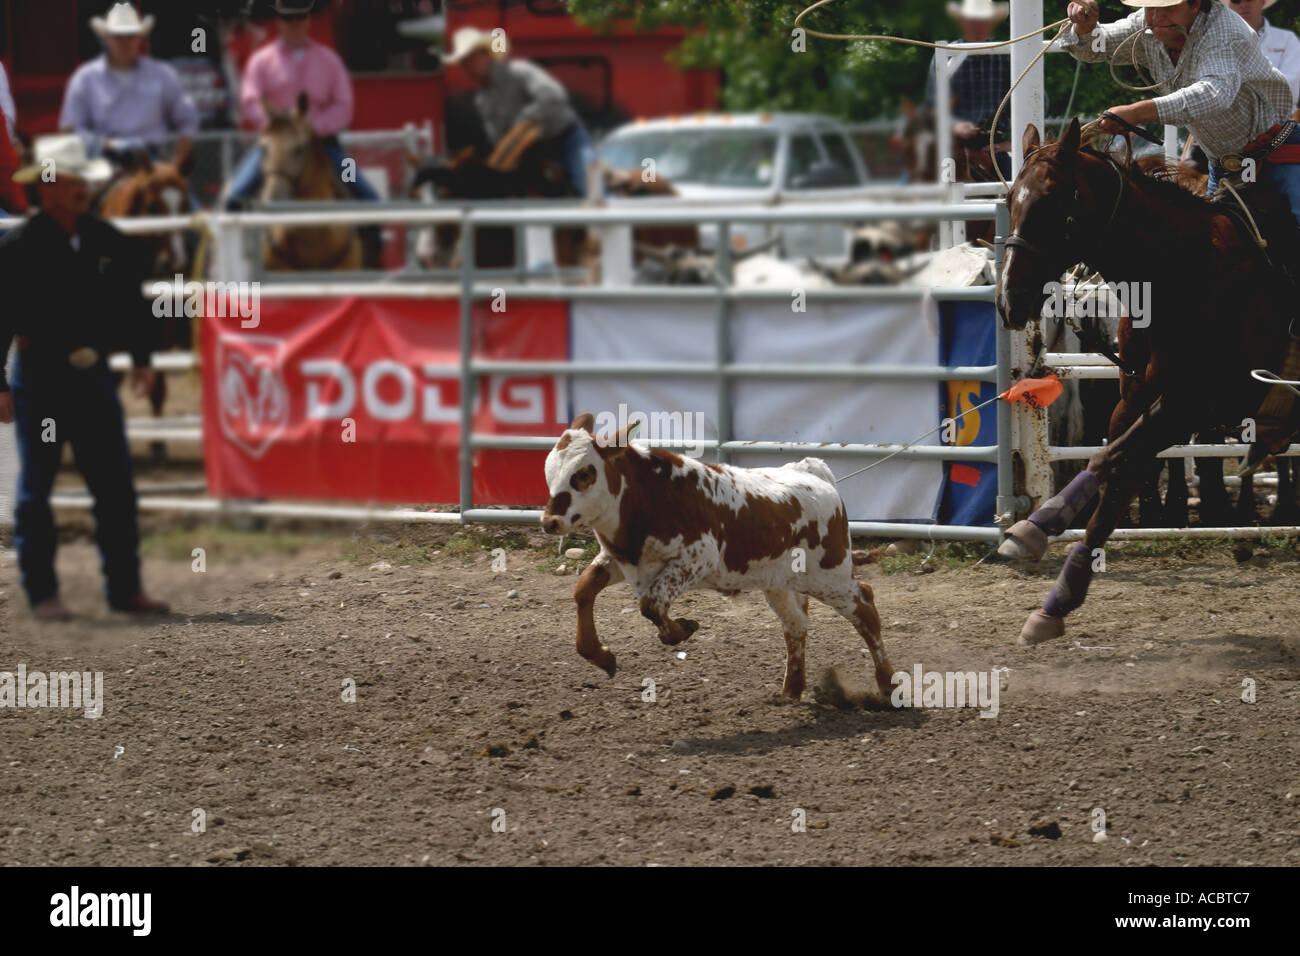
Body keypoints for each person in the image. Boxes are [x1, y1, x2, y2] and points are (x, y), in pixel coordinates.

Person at [1063, 0, 1300, 467]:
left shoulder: (1226, 30)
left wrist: (1135, 110)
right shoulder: (1151, 24)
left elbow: (1214, 93)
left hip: (1279, 155)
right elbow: (1097, 48)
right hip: (1226, 165)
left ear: (1196, 5)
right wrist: (1085, 28)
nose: (1154, 18)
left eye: (1166, 7)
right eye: (1149, 8)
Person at [0, 134, 169, 620]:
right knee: (37, 486)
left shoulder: (104, 240)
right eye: (71, 181)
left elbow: (135, 305)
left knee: (114, 484)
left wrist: (142, 358)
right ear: (48, 186)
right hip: (42, 380)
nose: (80, 189)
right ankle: (43, 591)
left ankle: (124, 587)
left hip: (92, 376)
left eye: (82, 181)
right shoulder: (20, 247)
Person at [225, 0, 380, 209]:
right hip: (275, 145)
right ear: (279, 22)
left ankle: (373, 240)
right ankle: (238, 238)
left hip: (324, 144)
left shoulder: (329, 60)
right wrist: (279, 125)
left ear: (308, 21)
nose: (295, 23)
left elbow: (344, 105)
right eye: (288, 18)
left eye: (301, 17)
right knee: (235, 195)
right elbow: (250, 100)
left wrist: (313, 126)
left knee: (367, 194)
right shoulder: (261, 61)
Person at [442, 26, 595, 197]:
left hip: (566, 139)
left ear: (487, 55)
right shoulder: (482, 100)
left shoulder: (519, 71)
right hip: (531, 154)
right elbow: (497, 137)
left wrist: (524, 119)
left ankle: (610, 218)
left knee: (589, 187)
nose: (469, 66)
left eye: (473, 57)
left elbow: (554, 96)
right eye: (465, 61)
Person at [58, 2, 198, 168]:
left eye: (131, 35)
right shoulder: (85, 79)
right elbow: (71, 130)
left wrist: (178, 164)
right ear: (106, 38)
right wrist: (107, 144)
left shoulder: (162, 75)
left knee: (179, 194)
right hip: (102, 163)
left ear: (139, 38)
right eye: (118, 36)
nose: (125, 42)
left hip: (153, 160)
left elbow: (187, 119)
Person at [924, 0, 1013, 179]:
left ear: (991, 23)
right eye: (973, 21)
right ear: (963, 22)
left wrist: (1012, 143)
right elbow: (933, 106)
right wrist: (955, 125)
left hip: (995, 145)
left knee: (1018, 189)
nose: (978, 26)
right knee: (919, 179)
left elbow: (1037, 100)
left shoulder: (1008, 55)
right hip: (953, 144)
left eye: (983, 21)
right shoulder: (945, 54)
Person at [1223, 0, 1300, 110]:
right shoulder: (1217, 43)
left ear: (1262, 1)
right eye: (1236, 0)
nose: (1243, 4)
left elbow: (1289, 89)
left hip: (1283, 122)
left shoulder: (1288, 39)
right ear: (1229, 6)